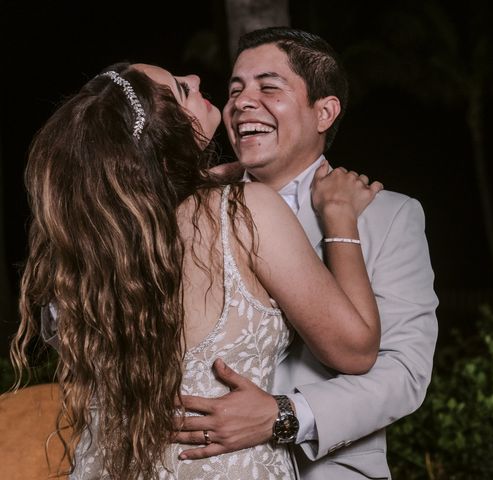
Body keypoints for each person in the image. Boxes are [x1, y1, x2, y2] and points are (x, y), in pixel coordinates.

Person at [10, 61, 384, 479]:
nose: (197, 80)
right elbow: (356, 350)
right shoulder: (245, 214)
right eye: (182, 89)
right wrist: (339, 218)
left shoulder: (85, 249)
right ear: (166, 133)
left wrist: (192, 179)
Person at [173, 27, 439, 479]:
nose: (241, 102)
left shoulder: (389, 215)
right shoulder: (191, 208)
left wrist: (283, 416)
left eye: (268, 87)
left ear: (325, 112)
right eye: (235, 90)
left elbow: (404, 373)